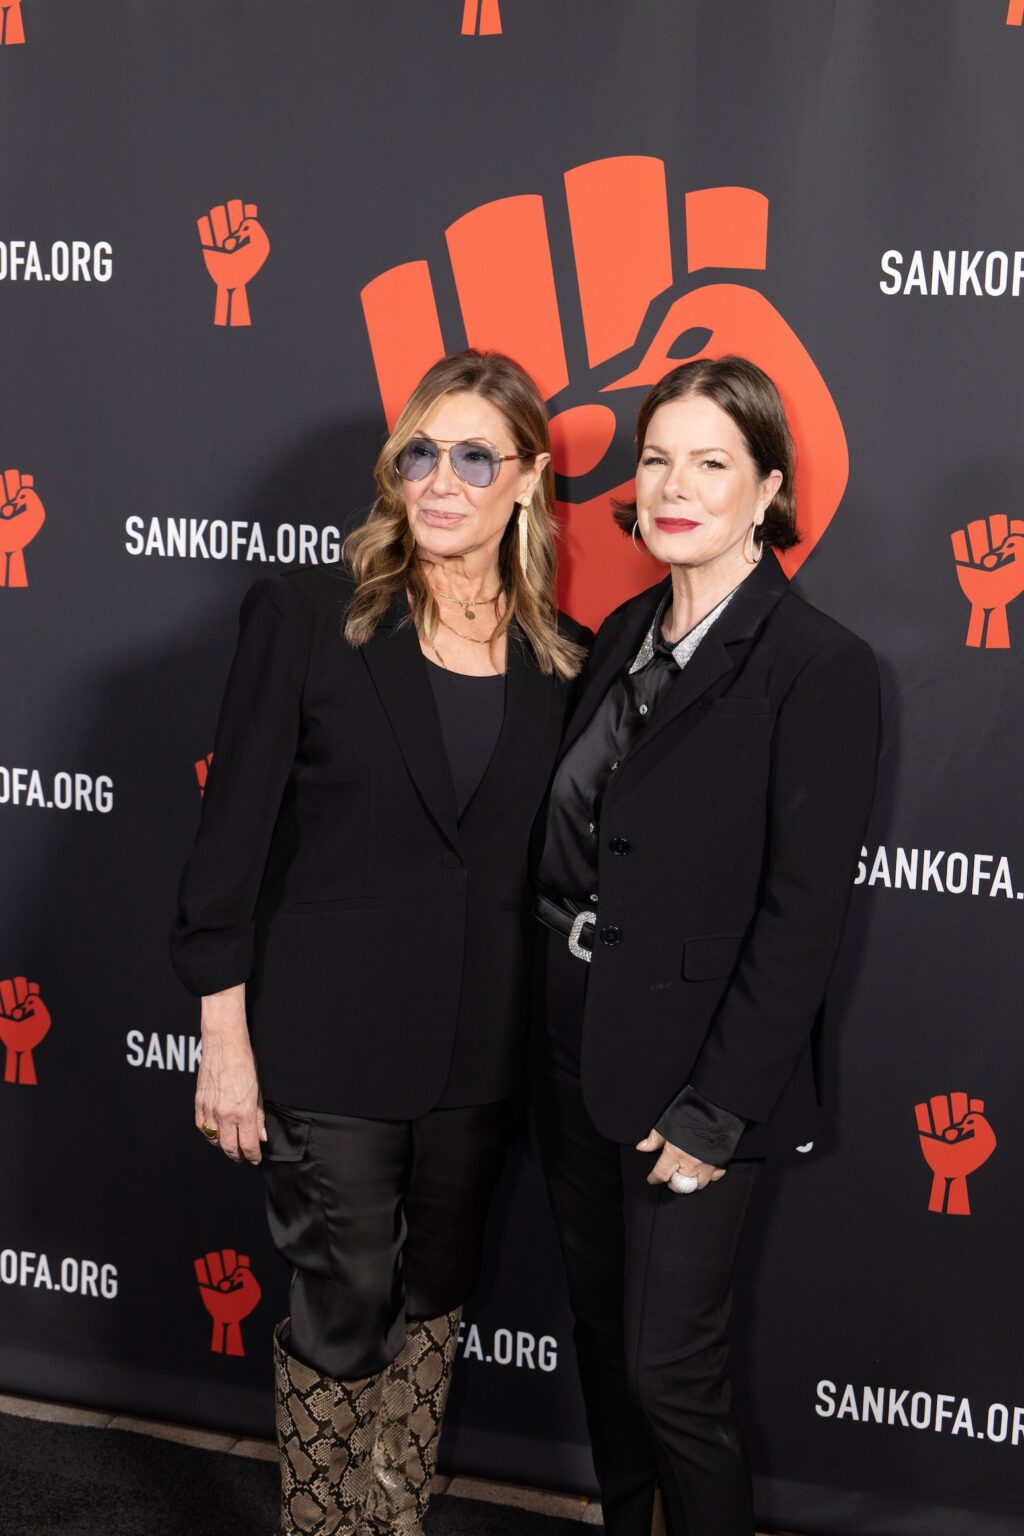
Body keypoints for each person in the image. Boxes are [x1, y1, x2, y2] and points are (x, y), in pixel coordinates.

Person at [170, 349, 587, 1536]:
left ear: (528, 480)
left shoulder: (566, 653)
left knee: (436, 1289)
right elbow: (228, 843)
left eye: (474, 457)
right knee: (345, 1292)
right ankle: (322, 1522)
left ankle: (389, 1512)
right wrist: (224, 1039)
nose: (442, 481)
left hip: (480, 1048)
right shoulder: (308, 618)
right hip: (325, 1038)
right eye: (421, 452)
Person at [531, 356, 880, 1536]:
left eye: (712, 463)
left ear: (766, 487)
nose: (676, 486)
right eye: (659, 459)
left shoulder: (817, 668)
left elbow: (801, 918)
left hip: (689, 1086)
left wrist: (715, 1110)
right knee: (601, 1355)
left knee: (667, 1375)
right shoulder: (625, 631)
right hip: (571, 1049)